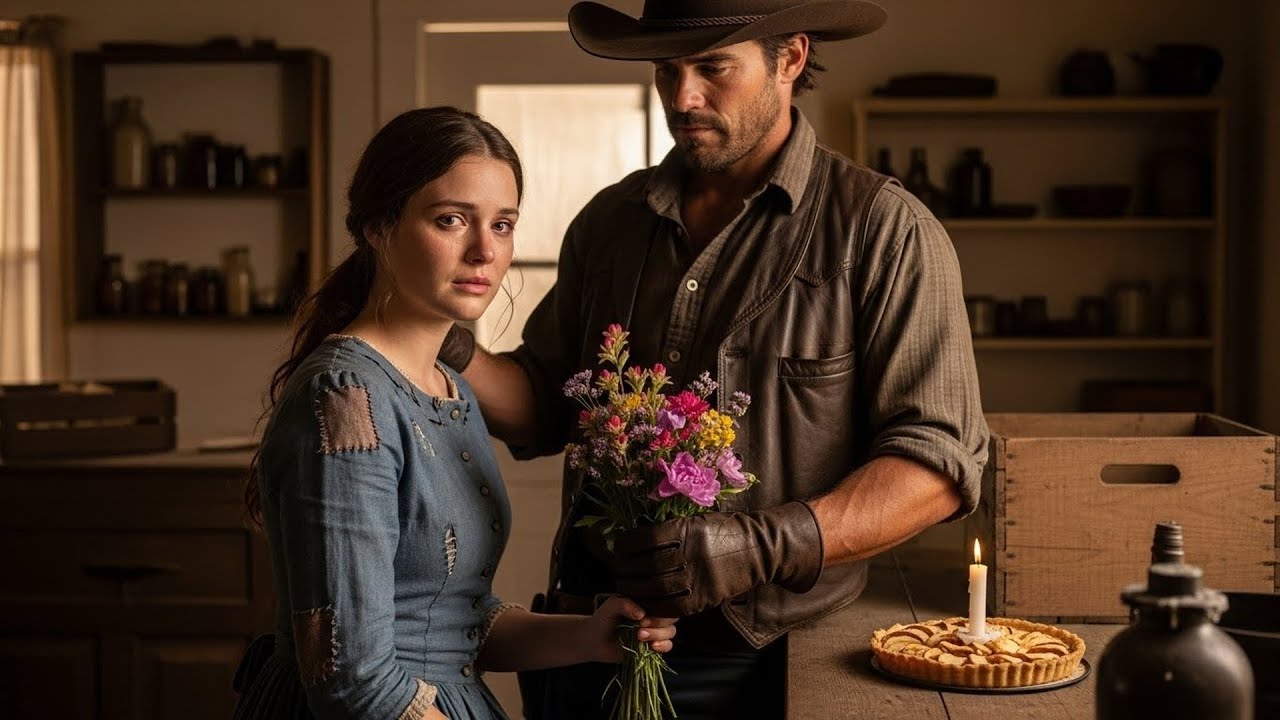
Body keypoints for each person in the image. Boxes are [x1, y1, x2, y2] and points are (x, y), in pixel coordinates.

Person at [438, 1, 991, 717]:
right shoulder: (610, 221)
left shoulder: (884, 232)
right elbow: (544, 405)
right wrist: (439, 338)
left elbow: (939, 463)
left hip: (762, 664)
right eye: (667, 71)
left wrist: (763, 545)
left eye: (712, 68)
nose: (682, 98)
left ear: (790, 58)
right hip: (584, 643)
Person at [231, 106, 676, 720]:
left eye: (502, 225)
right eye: (450, 220)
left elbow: (455, 621)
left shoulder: (453, 390)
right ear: (378, 227)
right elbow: (353, 683)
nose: (483, 252)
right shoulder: (344, 399)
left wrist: (585, 635)